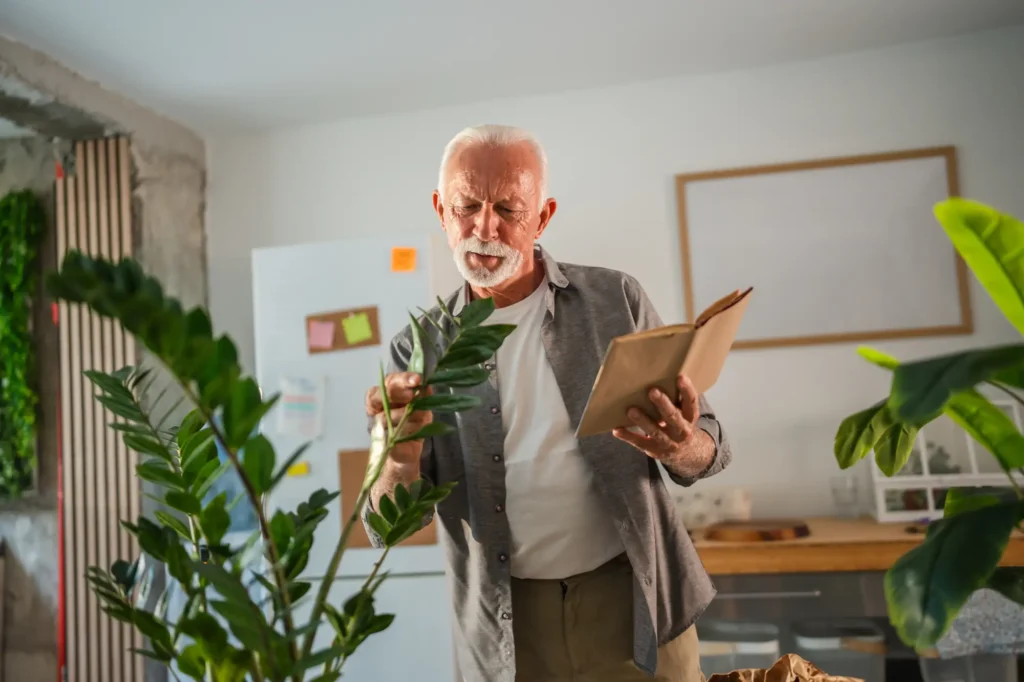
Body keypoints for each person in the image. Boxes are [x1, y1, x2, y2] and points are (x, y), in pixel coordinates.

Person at [363, 125, 730, 682]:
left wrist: (682, 445)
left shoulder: (615, 301)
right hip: (506, 625)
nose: (485, 228)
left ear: (543, 216)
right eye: (467, 206)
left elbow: (709, 445)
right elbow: (384, 528)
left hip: (636, 601)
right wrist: (398, 458)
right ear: (441, 209)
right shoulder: (417, 348)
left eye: (508, 208)